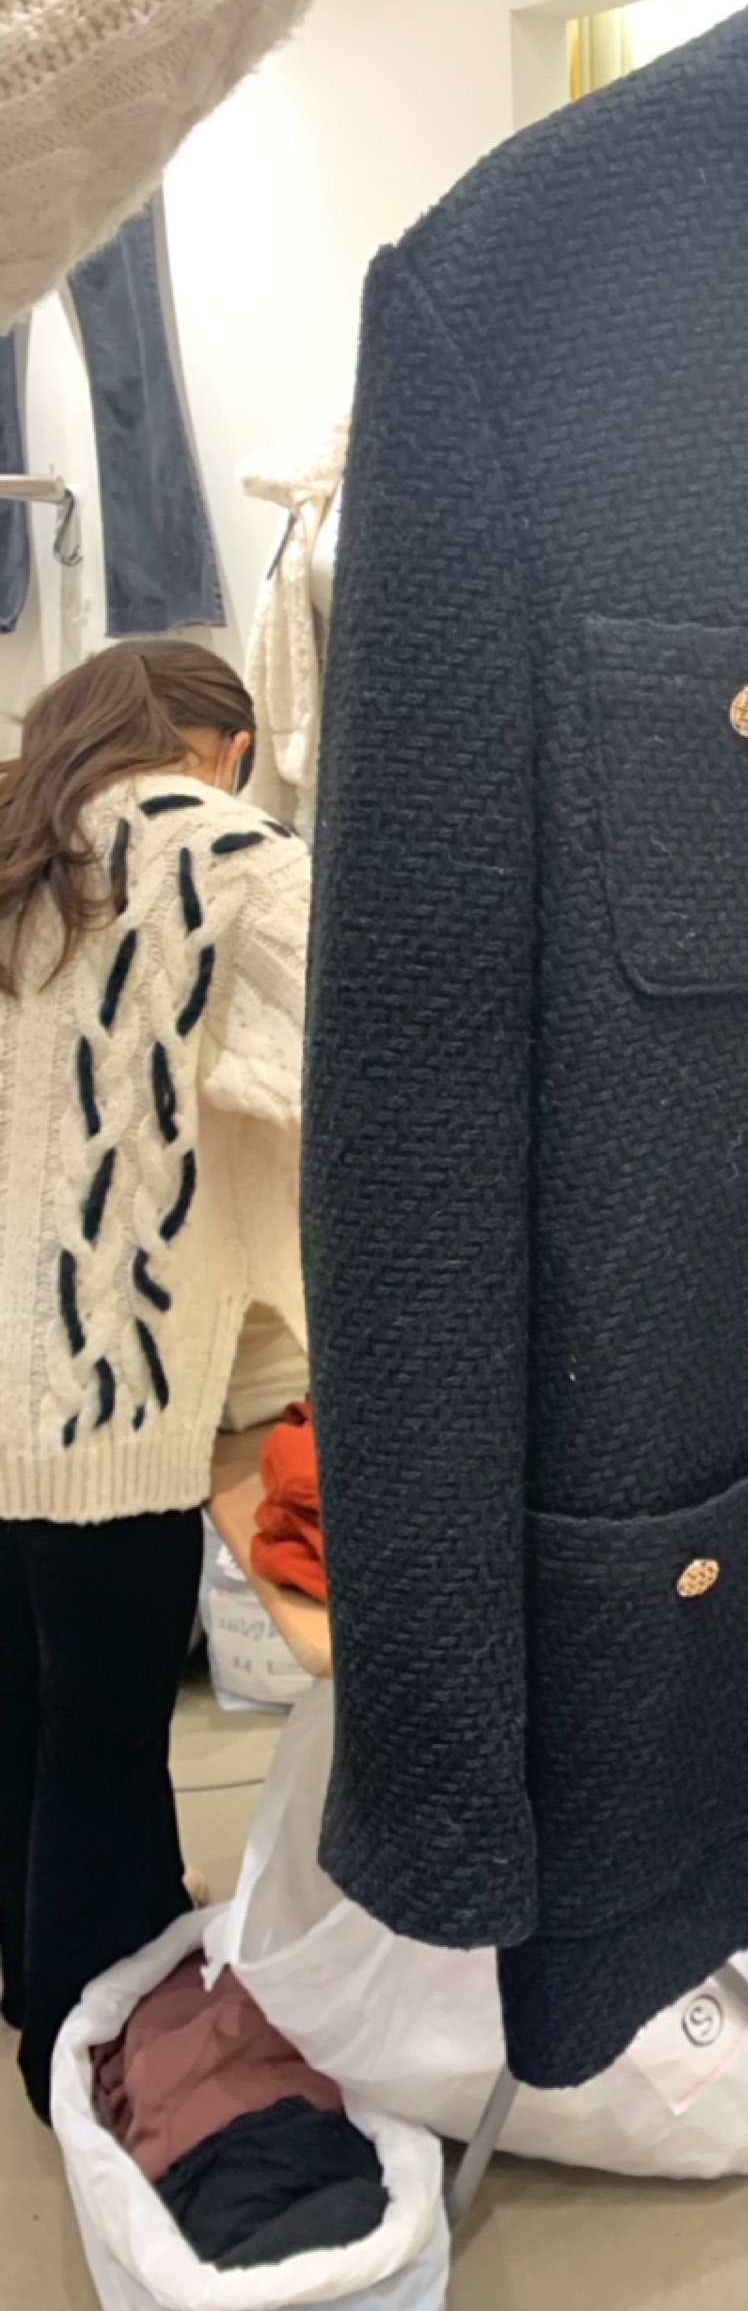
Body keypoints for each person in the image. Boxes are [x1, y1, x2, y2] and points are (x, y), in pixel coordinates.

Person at [0, 640, 309, 2118]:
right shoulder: (221, 852)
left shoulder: (20, 849)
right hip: (97, 1393)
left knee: (26, 1705)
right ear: (219, 741)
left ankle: (34, 1974)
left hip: (14, 1377)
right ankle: (80, 2048)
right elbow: (360, 1065)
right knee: (109, 1736)